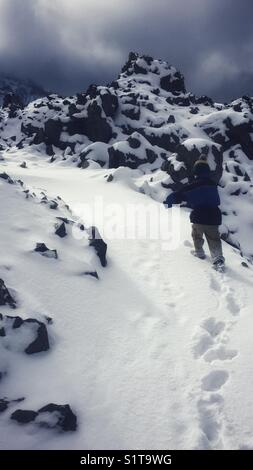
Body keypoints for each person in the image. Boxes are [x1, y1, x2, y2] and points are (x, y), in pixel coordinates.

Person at [163, 158, 225, 271]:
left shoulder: (193, 186)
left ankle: (199, 252)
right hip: (213, 217)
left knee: (197, 235)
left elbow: (178, 195)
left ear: (196, 172)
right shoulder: (213, 184)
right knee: (214, 238)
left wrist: (168, 203)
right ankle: (218, 258)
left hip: (199, 217)